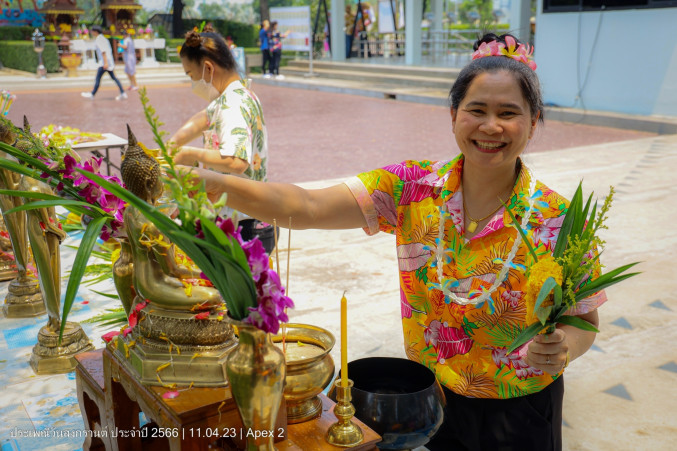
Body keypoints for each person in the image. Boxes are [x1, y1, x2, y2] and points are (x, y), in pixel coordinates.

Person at [181, 33, 608, 450]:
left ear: (534, 123)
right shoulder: (409, 188)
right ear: (454, 115)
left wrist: (564, 347)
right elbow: (307, 205)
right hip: (429, 401)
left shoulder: (560, 219)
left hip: (523, 413)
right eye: (476, 109)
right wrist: (213, 184)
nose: (491, 126)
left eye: (509, 113)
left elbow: (584, 319)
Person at [169, 26, 273, 250]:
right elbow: (203, 118)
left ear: (207, 68)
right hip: (254, 218)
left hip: (242, 226)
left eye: (191, 74)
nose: (192, 82)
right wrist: (172, 144)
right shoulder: (238, 93)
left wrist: (188, 154)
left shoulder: (232, 105)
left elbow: (235, 161)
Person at [81, 25, 127, 101]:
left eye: (92, 31)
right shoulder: (103, 39)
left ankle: (92, 94)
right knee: (113, 78)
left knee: (98, 78)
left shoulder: (99, 39)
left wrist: (105, 63)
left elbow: (103, 52)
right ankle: (122, 92)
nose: (91, 33)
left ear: (95, 32)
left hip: (104, 63)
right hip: (107, 62)